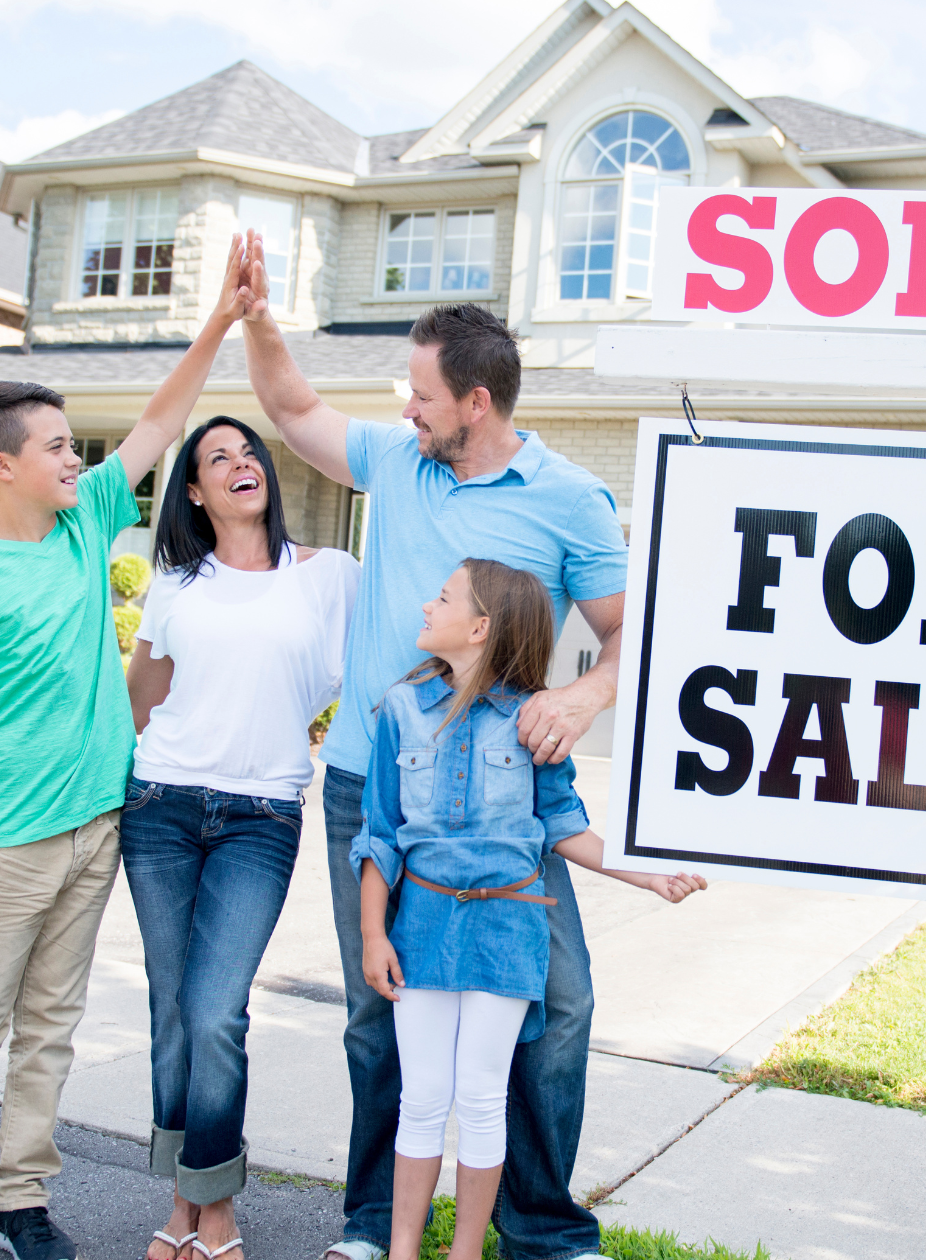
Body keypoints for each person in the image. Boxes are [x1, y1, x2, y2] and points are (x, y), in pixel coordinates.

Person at [234, 228, 632, 1260]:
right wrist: (259, 321)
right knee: (381, 1010)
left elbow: (628, 640)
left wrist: (587, 695)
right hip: (375, 787)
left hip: (506, 795)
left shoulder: (570, 500)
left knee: (557, 1005)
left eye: (419, 394)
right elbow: (287, 409)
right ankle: (375, 1225)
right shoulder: (394, 461)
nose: (404, 409)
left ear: (476, 404)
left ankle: (538, 1229)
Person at [0, 239, 254, 1260]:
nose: (76, 459)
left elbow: (158, 421)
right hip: (1, 840)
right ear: (1, 464)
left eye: (75, 445)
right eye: (56, 446)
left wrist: (219, 325)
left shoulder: (84, 523)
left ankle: (20, 1203)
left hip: (97, 826)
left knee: (51, 1025)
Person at [354, 560, 704, 1260]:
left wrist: (650, 876)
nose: (428, 604)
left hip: (509, 931)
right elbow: (380, 835)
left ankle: (465, 1255)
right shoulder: (399, 710)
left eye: (444, 597)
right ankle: (400, 1251)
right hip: (421, 925)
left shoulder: (535, 719)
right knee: (421, 1096)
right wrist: (372, 933)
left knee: (482, 1096)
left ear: (481, 627)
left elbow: (564, 826)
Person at [122, 413, 359, 1260]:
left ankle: (206, 1205)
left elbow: (404, 638)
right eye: (215, 457)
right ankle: (193, 1207)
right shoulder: (176, 582)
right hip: (162, 805)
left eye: (247, 449)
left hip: (261, 814)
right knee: (171, 1007)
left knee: (216, 1010)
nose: (239, 462)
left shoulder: (329, 576)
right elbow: (141, 695)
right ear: (194, 490)